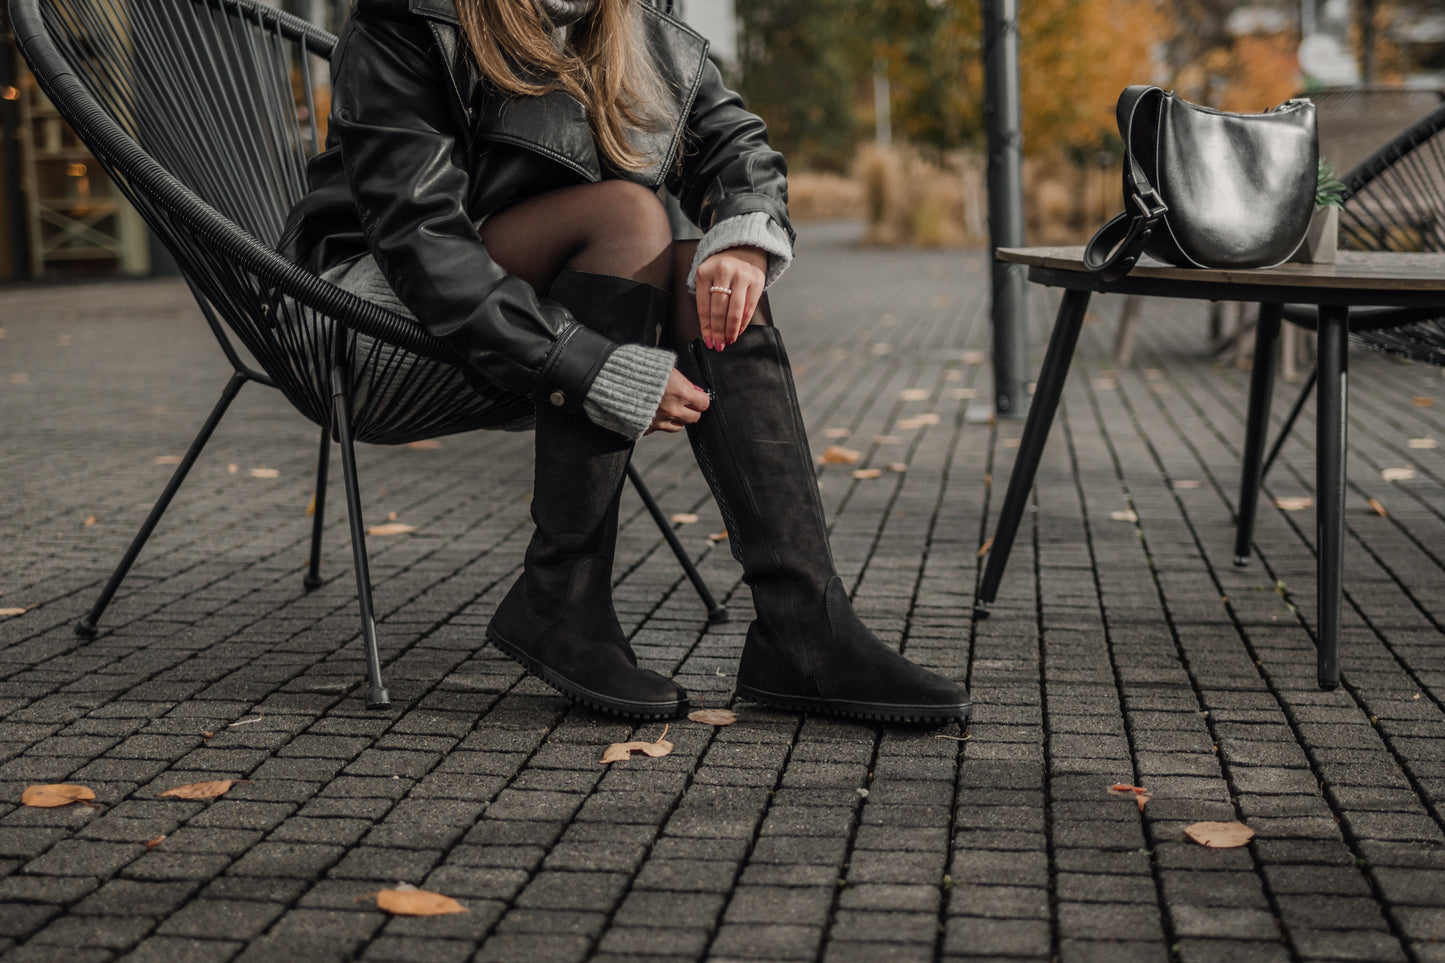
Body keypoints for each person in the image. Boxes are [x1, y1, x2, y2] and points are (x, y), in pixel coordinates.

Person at [282, 0, 971, 724]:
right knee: (627, 216)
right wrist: (584, 362)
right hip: (370, 321)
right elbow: (422, 242)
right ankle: (564, 596)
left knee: (693, 269)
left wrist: (740, 236)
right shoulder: (413, 14)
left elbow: (734, 140)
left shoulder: (627, 20)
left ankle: (803, 625)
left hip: (528, 320)